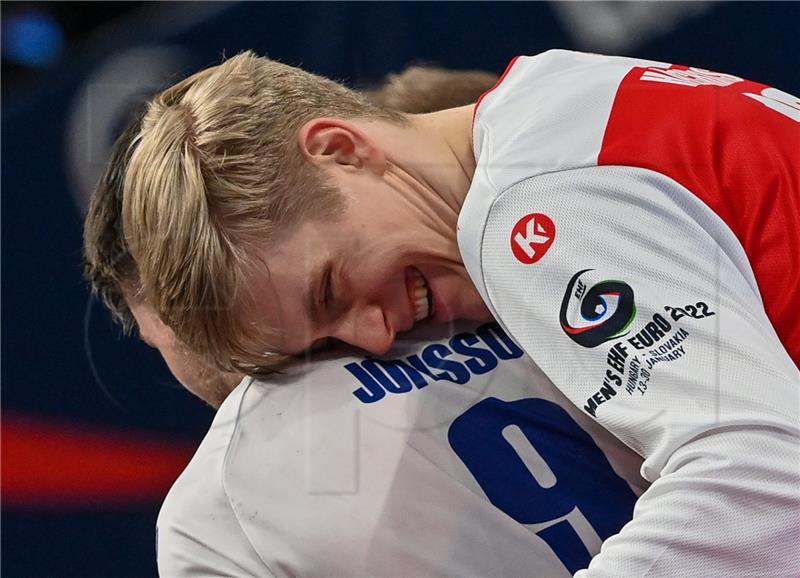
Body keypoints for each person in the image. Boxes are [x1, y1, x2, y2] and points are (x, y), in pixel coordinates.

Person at [118, 49, 800, 576]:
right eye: (325, 338)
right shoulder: (553, 97)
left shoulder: (526, 211)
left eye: (329, 289)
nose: (375, 334)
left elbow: (762, 475)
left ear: (338, 150)